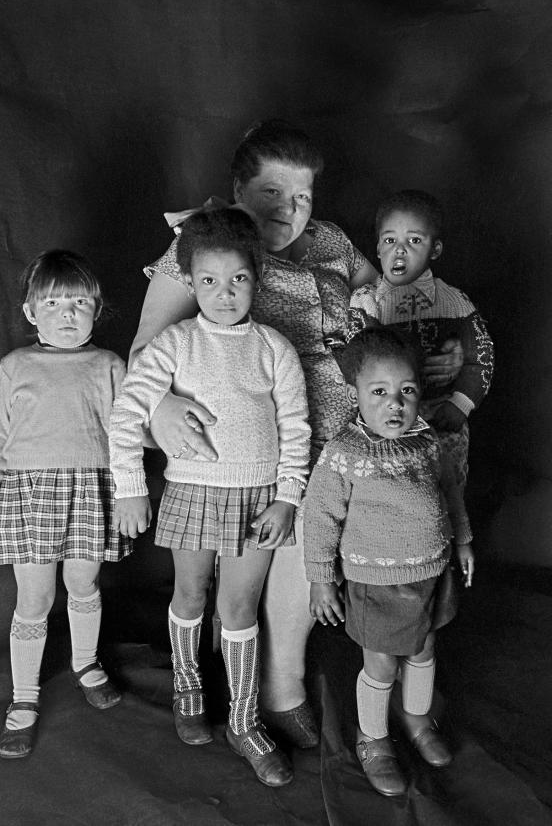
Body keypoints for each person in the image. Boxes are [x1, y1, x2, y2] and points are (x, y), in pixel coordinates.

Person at [129, 120, 462, 750]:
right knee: (242, 570)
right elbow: (146, 354)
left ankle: (284, 685)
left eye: (303, 197)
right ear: (237, 190)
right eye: (273, 193)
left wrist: (439, 349)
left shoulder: (332, 243)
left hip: (345, 444)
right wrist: (161, 411)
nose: (290, 211)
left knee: (323, 553)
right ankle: (232, 686)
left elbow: (396, 295)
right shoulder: (207, 245)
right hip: (251, 448)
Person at [109, 208, 310, 787]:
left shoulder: (274, 349)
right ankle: (188, 683)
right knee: (192, 591)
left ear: (257, 278)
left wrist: (288, 499)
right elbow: (127, 412)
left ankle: (244, 721)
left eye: (239, 279)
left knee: (239, 609)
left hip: (260, 497)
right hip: (194, 492)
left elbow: (295, 428)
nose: (225, 294)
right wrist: (128, 487)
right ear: (191, 281)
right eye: (209, 282)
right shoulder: (174, 344)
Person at [303, 328, 475, 797]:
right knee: (380, 664)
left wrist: (462, 542)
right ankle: (373, 738)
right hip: (375, 581)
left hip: (431, 572)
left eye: (407, 392)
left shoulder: (427, 443)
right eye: (379, 392)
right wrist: (321, 580)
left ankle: (416, 715)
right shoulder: (344, 455)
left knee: (422, 650)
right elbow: (318, 518)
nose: (394, 404)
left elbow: (450, 492)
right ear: (355, 393)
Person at [0, 250, 130, 760]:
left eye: (80, 302)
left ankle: (86, 661)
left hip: (92, 490)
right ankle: (24, 695)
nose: (68, 314)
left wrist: (132, 487)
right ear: (31, 312)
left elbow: (128, 433)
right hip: (29, 493)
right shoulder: (15, 366)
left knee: (83, 583)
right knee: (35, 600)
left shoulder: (109, 365)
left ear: (97, 308)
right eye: (55, 302)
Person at [348, 189, 494, 490]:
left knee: (444, 491)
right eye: (390, 241)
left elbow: (482, 356)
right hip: (384, 414)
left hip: (441, 415)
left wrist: (460, 404)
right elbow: (356, 361)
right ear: (377, 248)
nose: (399, 251)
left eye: (414, 241)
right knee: (386, 490)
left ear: (435, 249)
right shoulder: (366, 302)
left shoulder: (455, 302)